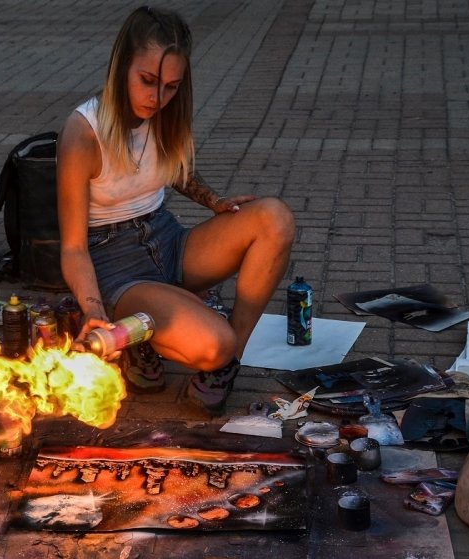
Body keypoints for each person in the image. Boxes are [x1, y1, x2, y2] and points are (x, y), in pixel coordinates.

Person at [57, 5, 295, 415]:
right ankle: (142, 339)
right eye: (147, 81)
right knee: (212, 342)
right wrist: (94, 311)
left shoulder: (165, 114)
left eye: (170, 86)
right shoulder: (83, 133)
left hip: (167, 240)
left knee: (274, 218)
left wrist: (214, 202)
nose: (157, 97)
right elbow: (74, 247)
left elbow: (173, 169)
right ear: (121, 66)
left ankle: (225, 366)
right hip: (116, 268)